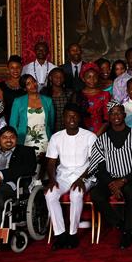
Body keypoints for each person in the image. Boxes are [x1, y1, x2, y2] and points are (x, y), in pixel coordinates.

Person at [88, 102, 132, 249]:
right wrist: (111, 183)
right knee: (96, 194)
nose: (116, 116)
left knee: (130, 190)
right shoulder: (101, 140)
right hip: (110, 179)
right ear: (108, 117)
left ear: (124, 115)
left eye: (119, 112)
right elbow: (99, 166)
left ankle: (127, 233)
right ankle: (121, 225)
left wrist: (123, 180)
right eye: (113, 113)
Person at [44, 104, 97, 250]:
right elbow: (51, 162)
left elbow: (95, 162)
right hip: (64, 176)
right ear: (64, 118)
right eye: (68, 116)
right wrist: (52, 180)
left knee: (76, 193)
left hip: (85, 175)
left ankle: (72, 234)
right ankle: (60, 234)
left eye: (74, 116)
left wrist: (82, 179)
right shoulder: (56, 137)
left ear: (79, 118)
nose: (71, 119)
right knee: (50, 194)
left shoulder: (89, 136)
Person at [9, 74, 55, 155]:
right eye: (28, 84)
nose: (33, 85)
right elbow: (13, 124)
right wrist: (17, 141)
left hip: (45, 141)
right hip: (24, 141)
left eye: (33, 81)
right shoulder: (18, 101)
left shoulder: (48, 100)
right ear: (24, 88)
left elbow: (51, 122)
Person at [74, 63, 111, 135]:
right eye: (89, 77)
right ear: (83, 79)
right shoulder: (78, 95)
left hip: (99, 133)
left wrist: (96, 136)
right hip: (81, 134)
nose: (92, 80)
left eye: (95, 77)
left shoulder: (105, 94)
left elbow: (107, 119)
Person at [0, 55, 26, 124]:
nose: (15, 70)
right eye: (12, 68)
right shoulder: (2, 86)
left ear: (21, 68)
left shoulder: (27, 84)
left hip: (25, 119)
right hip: (8, 120)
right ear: (8, 69)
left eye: (18, 67)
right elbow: (0, 107)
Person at [42, 68, 71, 133]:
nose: (59, 79)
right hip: (49, 128)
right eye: (56, 77)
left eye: (61, 77)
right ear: (50, 78)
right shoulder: (44, 93)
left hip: (66, 129)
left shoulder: (69, 93)